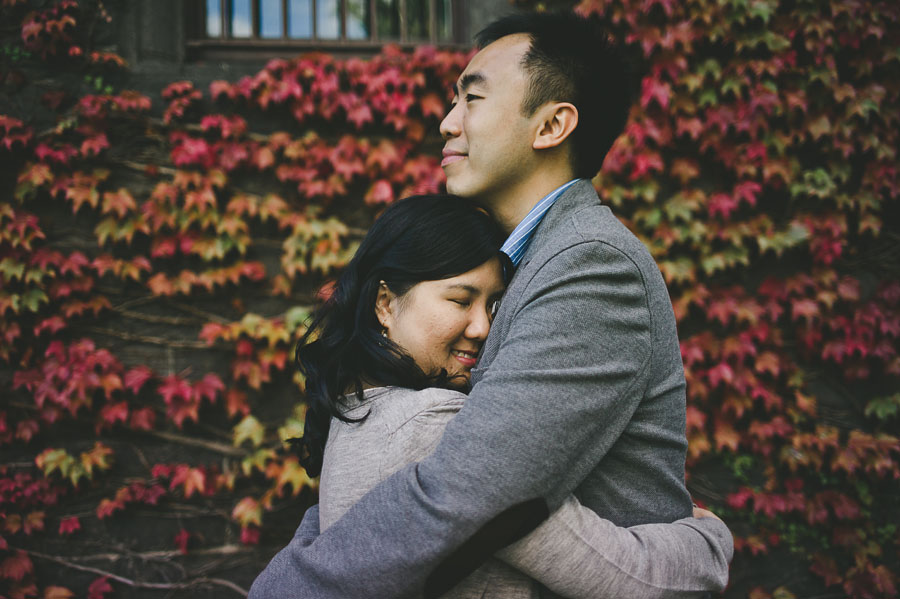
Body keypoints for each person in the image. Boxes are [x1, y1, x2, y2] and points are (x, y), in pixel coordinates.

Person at [250, 12, 730, 598]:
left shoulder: (591, 264)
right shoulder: (526, 263)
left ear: (552, 125)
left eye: (471, 99)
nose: (447, 123)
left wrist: (286, 588)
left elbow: (468, 490)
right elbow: (433, 476)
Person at [273, 194, 731, 599]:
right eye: (459, 300)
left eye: (493, 305)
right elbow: (618, 575)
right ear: (385, 304)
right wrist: (708, 541)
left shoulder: (354, 416)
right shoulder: (433, 427)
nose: (483, 328)